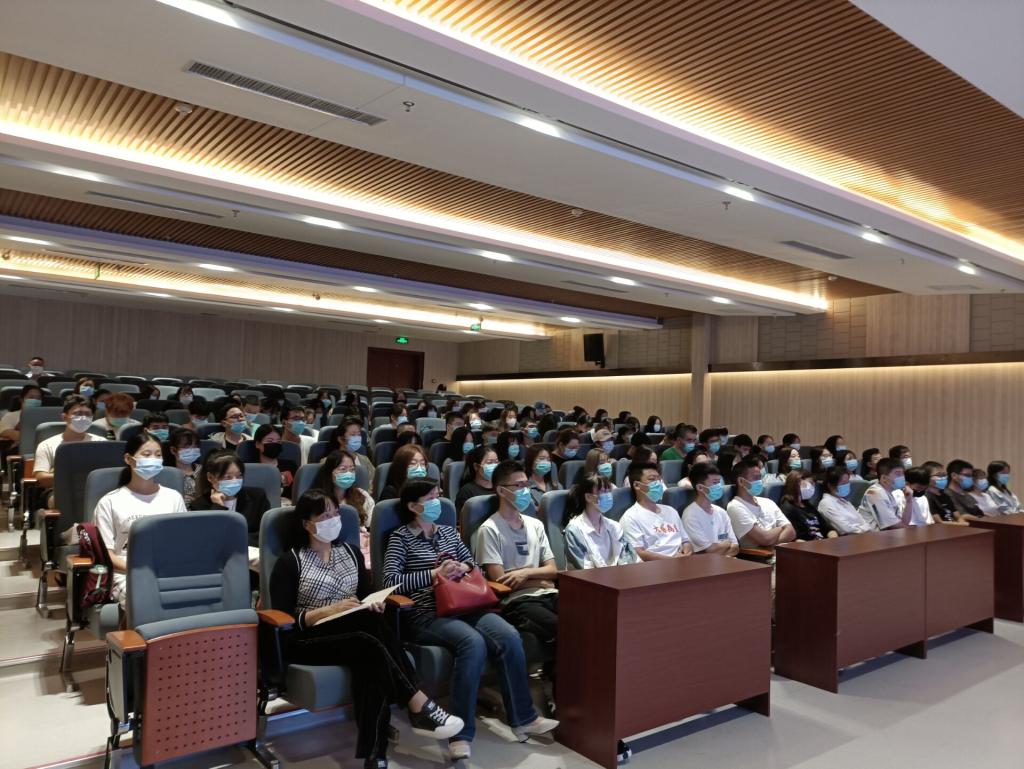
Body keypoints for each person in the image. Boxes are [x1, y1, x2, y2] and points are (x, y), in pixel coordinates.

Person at [270, 489, 463, 768]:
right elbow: (286, 619)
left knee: (369, 651)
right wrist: (329, 610)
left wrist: (374, 603)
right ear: (306, 524)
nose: (333, 519)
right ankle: (417, 703)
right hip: (308, 638)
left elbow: (364, 595)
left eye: (335, 513)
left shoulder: (350, 552)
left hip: (355, 633)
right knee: (369, 640)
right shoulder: (291, 561)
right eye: (324, 516)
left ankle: (375, 755)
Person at [383, 479, 557, 759]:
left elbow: (473, 565)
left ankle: (523, 718)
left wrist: (460, 567)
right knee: (472, 643)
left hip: (465, 604)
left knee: (508, 635)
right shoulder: (400, 537)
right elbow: (390, 583)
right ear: (413, 506)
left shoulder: (448, 533)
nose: (437, 502)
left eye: (438, 495)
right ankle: (460, 733)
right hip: (426, 613)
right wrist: (434, 574)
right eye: (430, 498)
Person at [476, 461, 559, 662]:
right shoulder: (489, 529)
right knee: (564, 627)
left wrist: (525, 573)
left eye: (526, 485)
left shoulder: (536, 524)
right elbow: (502, 582)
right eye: (519, 485)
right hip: (518, 601)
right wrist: (542, 580)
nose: (525, 491)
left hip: (549, 593)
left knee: (588, 618)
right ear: (501, 491)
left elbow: (553, 569)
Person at [93, 433, 187, 605]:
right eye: (146, 454)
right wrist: (139, 570)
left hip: (168, 570)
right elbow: (107, 554)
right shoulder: (110, 502)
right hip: (127, 572)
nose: (153, 459)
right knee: (146, 600)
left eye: (158, 455)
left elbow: (182, 543)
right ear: (128, 459)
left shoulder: (174, 497)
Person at [191, 451, 270, 549]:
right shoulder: (198, 506)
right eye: (227, 477)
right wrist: (217, 507)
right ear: (210, 477)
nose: (234, 481)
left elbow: (265, 533)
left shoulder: (257, 497)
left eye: (239, 476)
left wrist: (234, 541)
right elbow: (208, 539)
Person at [312, 450, 375, 566]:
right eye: (343, 469)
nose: (348, 473)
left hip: (360, 548)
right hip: (327, 548)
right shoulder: (317, 499)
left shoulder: (362, 495)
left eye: (352, 470)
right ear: (329, 472)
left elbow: (371, 526)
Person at [564, 472, 639, 569]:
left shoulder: (615, 526)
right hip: (587, 578)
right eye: (603, 491)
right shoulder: (574, 530)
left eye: (609, 491)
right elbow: (584, 569)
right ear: (588, 497)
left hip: (618, 576)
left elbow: (628, 560)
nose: (608, 496)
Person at [620, 463, 693, 560]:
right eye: (652, 479)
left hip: (682, 561)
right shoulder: (630, 517)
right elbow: (638, 552)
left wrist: (686, 552)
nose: (658, 483)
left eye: (659, 479)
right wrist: (672, 560)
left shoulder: (671, 511)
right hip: (656, 565)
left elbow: (685, 540)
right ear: (637, 485)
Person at [34, 395, 107, 492]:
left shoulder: (102, 443)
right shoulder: (47, 445)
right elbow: (41, 478)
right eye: (78, 414)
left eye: (87, 414)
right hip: (59, 491)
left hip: (95, 490)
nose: (83, 418)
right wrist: (78, 477)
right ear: (64, 417)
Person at [725, 459, 796, 549]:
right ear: (741, 481)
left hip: (782, 551)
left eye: (760, 477)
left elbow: (791, 532)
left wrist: (771, 542)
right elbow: (765, 539)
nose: (760, 481)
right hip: (759, 555)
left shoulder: (768, 501)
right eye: (756, 478)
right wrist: (781, 528)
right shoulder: (735, 506)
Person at [681, 463, 739, 556]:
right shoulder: (690, 515)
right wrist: (727, 543)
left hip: (727, 561)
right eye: (715, 483)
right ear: (700, 487)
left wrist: (718, 549)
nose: (719, 486)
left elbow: (735, 547)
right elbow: (708, 551)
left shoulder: (721, 512)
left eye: (719, 482)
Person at [780, 470, 836, 540]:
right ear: (797, 483)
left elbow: (828, 529)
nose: (813, 487)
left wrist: (834, 540)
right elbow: (794, 539)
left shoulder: (808, 506)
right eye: (810, 483)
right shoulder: (788, 509)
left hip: (822, 543)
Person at [817, 466, 871, 534]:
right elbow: (846, 529)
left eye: (847, 482)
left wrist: (865, 528)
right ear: (830, 485)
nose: (847, 485)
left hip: (863, 535)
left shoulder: (845, 501)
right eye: (843, 483)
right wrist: (864, 529)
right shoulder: (826, 503)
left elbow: (863, 521)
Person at [254, 424, 297, 502]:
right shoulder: (251, 469)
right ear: (258, 444)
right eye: (270, 441)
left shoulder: (291, 466)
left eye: (278, 441)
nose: (275, 444)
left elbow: (297, 492)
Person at [330, 417, 375, 487]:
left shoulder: (365, 459)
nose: (357, 438)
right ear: (340, 439)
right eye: (353, 435)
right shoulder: (328, 461)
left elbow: (374, 482)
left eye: (359, 434)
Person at [165, 427, 203, 505]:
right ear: (173, 450)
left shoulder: (204, 470)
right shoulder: (166, 474)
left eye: (195, 446)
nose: (192, 450)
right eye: (187, 446)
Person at [922, 460, 967, 525]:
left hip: (954, 526)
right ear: (926, 478)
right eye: (939, 475)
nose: (943, 478)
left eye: (944, 475)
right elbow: (938, 522)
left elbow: (958, 516)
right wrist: (960, 524)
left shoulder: (946, 495)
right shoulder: (926, 497)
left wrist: (962, 522)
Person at [454, 446, 498, 511]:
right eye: (489, 462)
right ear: (476, 466)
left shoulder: (501, 488)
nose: (494, 466)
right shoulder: (466, 492)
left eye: (496, 462)